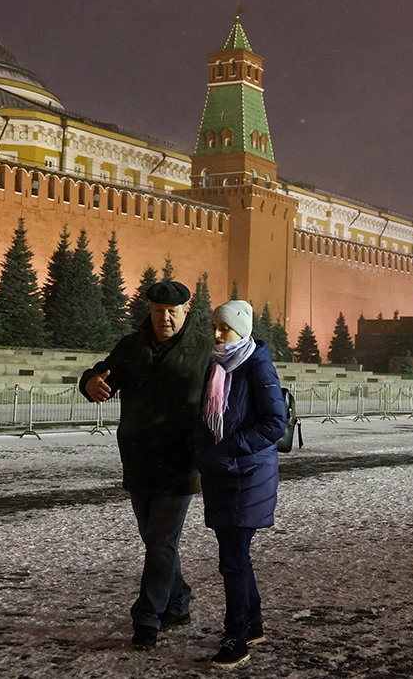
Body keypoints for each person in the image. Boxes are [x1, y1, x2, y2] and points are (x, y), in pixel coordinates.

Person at [78, 280, 210, 651]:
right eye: (157, 312)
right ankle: (178, 603)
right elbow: (101, 373)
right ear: (149, 311)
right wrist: (89, 382)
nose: (164, 319)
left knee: (161, 540)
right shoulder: (131, 346)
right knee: (156, 540)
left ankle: (147, 617)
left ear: (185, 311)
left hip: (181, 461)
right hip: (137, 458)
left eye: (172, 312)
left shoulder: (203, 348)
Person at [191, 300, 286, 668]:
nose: (216, 334)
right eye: (214, 326)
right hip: (221, 471)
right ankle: (253, 623)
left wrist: (228, 448)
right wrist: (200, 446)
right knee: (236, 555)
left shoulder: (257, 366)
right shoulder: (216, 367)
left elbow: (274, 424)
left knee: (232, 557)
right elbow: (207, 414)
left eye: (224, 328)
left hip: (247, 474)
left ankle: (237, 636)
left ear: (242, 330)